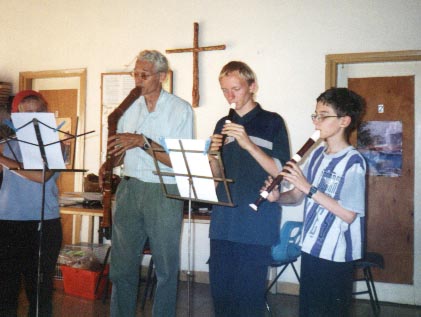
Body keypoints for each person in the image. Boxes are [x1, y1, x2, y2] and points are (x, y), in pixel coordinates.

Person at [103, 50, 194, 317]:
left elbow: (181, 162)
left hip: (164, 189)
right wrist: (113, 156)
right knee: (122, 266)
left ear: (162, 77)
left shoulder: (180, 110)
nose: (138, 80)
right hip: (130, 187)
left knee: (166, 267)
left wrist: (143, 142)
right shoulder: (126, 108)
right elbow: (119, 152)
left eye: (144, 75)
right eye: (135, 74)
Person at [264, 87, 366, 317]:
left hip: (337, 255)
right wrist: (278, 197)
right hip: (310, 248)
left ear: (344, 121)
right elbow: (297, 196)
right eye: (315, 115)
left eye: (324, 115)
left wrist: (308, 187)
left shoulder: (354, 162)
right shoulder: (318, 154)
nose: (316, 121)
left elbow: (349, 214)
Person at [208, 61, 290, 316]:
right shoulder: (222, 122)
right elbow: (217, 179)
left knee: (249, 301)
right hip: (223, 221)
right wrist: (212, 157)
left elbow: (281, 174)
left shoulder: (272, 122)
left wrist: (248, 144)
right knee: (221, 299)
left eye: (236, 89)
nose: (230, 96)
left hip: (256, 222)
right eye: (224, 90)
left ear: (252, 86)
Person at [0, 90, 62, 317]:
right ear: (15, 116)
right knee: (6, 289)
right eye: (27, 114)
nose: (34, 118)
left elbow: (41, 176)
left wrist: (2, 158)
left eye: (39, 112)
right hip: (7, 222)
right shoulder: (5, 143)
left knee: (40, 289)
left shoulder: (57, 144)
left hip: (44, 223)